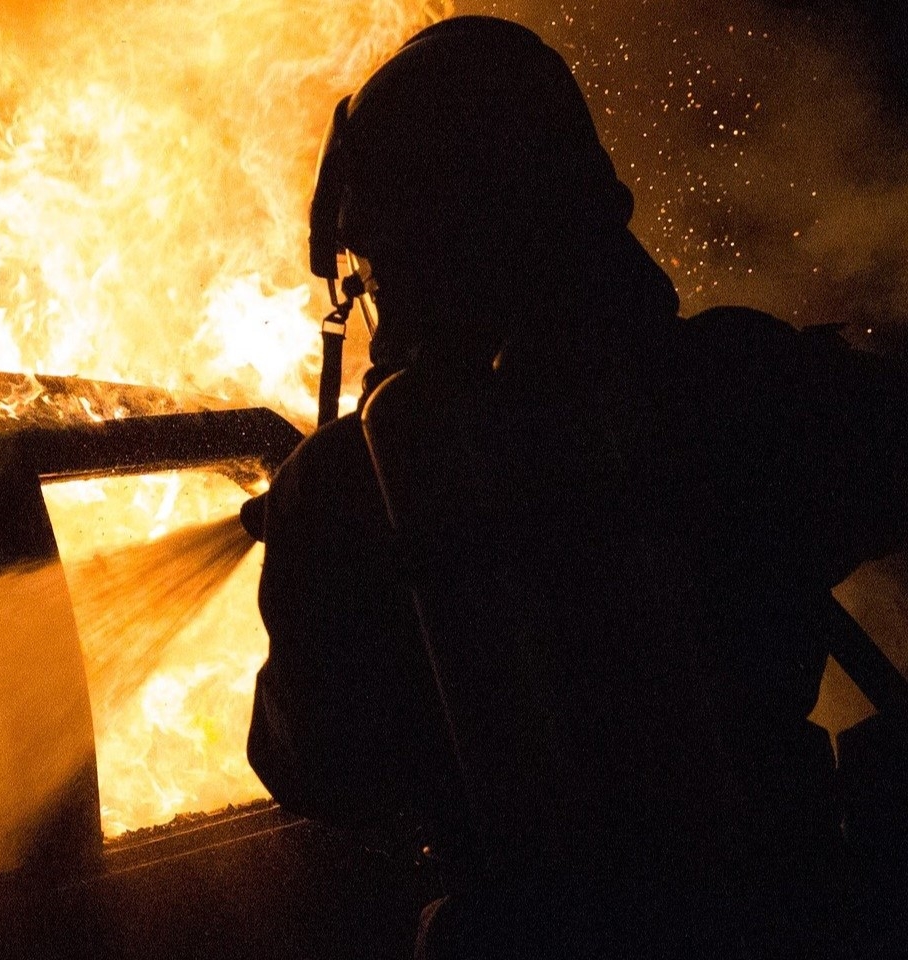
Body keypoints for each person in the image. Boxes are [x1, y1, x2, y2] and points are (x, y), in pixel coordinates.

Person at [245, 16, 908, 958]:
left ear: (393, 250)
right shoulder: (738, 378)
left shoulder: (350, 487)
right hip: (785, 913)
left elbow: (316, 769)